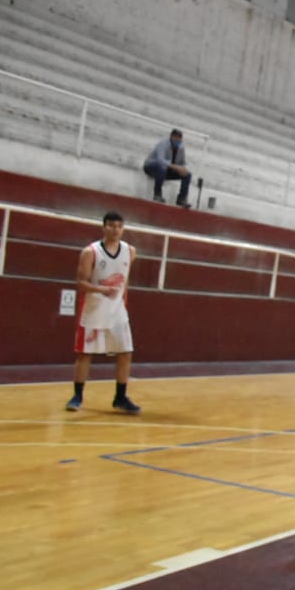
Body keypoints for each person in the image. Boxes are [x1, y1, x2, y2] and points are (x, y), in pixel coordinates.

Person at [65, 211, 140, 414]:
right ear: (104, 227)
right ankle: (77, 395)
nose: (115, 230)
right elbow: (81, 283)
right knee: (85, 354)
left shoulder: (130, 251)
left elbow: (125, 279)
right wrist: (102, 290)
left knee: (125, 352)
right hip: (94, 309)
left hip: (117, 312)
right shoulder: (91, 252)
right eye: (111, 226)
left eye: (119, 226)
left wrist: (121, 300)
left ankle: (120, 397)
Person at [142, 128, 193, 208]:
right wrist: (175, 167)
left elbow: (181, 163)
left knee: (187, 175)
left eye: (179, 138)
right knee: (162, 168)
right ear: (171, 136)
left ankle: (181, 199)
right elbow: (160, 160)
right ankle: (157, 194)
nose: (178, 140)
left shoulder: (181, 147)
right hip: (151, 167)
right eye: (176, 137)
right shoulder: (163, 143)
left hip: (168, 170)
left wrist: (182, 169)